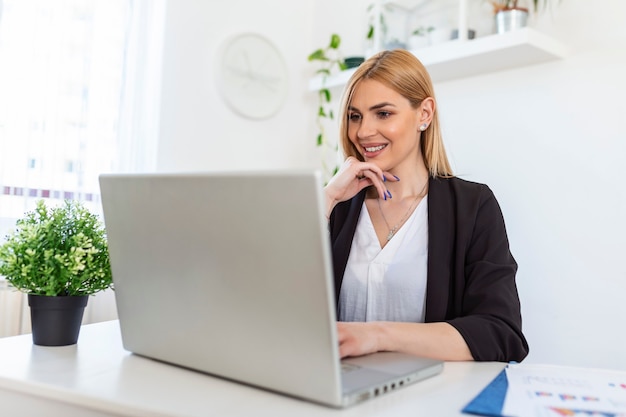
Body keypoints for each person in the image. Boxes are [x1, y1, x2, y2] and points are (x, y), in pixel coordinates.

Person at [324, 49, 529, 362]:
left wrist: (375, 335)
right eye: (355, 116)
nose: (363, 132)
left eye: (383, 113)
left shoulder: (473, 207)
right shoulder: (337, 208)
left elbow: (500, 333)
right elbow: (277, 306)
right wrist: (326, 199)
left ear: (424, 114)